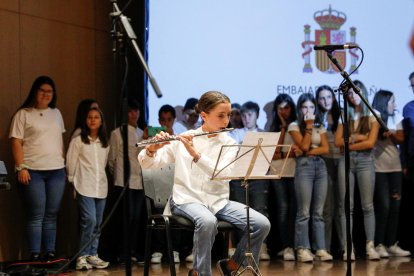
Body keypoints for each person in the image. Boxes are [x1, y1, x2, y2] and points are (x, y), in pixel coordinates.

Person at [138, 91, 270, 276]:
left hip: (217, 201)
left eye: (228, 115)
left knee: (261, 224)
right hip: (186, 199)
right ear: (204, 116)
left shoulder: (229, 143)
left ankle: (232, 264)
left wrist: (196, 155)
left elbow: (224, 174)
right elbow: (147, 164)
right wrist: (151, 149)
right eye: (221, 116)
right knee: (207, 221)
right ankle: (200, 273)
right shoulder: (184, 138)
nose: (226, 121)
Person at [9, 76, 66, 262]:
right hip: (33, 171)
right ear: (35, 91)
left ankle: (49, 252)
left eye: (49, 91)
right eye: (42, 90)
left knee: (51, 214)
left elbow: (59, 141)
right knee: (36, 214)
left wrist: (63, 163)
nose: (46, 94)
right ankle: (34, 253)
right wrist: (21, 167)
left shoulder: (56, 113)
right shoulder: (23, 114)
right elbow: (16, 142)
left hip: (57, 171)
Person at [334, 80, 380, 261]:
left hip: (366, 161)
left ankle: (370, 245)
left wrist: (349, 141)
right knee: (347, 207)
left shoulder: (373, 114)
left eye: (355, 92)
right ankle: (348, 247)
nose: (352, 96)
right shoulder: (345, 116)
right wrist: (356, 137)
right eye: (350, 94)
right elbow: (338, 142)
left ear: (363, 92)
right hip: (346, 161)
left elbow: (371, 142)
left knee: (368, 206)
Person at [288, 93, 332, 262]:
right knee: (304, 211)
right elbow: (304, 144)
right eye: (305, 107)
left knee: (318, 212)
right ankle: (302, 249)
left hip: (320, 166)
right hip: (304, 167)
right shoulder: (294, 125)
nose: (309, 110)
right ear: (300, 108)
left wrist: (306, 151)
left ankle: (320, 248)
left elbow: (325, 148)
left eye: (312, 107)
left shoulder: (319, 125)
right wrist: (308, 126)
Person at [66, 107, 110, 270]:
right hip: (84, 185)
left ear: (101, 121)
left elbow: (105, 163)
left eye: (96, 117)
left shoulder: (104, 142)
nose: (92, 120)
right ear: (85, 120)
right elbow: (71, 161)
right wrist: (72, 182)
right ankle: (82, 256)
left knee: (98, 223)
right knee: (89, 220)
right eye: (90, 117)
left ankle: (93, 254)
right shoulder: (78, 140)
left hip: (100, 187)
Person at [228, 101, 270, 260]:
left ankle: (261, 247)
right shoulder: (236, 133)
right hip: (239, 177)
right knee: (241, 213)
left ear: (257, 115)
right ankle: (242, 248)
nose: (246, 118)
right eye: (244, 115)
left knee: (260, 210)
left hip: (258, 177)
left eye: (250, 115)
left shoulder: (264, 134)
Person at [372, 90, 411, 257]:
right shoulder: (374, 118)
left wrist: (392, 134)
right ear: (384, 102)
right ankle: (379, 243)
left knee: (395, 206)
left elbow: (401, 139)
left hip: (395, 167)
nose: (395, 105)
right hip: (378, 168)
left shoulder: (397, 118)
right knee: (383, 206)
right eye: (392, 102)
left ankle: (391, 243)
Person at [108, 99, 145, 263]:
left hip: (140, 182)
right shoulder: (117, 133)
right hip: (123, 182)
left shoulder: (141, 133)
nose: (134, 114)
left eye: (136, 111)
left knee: (137, 218)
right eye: (131, 111)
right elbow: (111, 159)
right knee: (126, 218)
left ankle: (133, 250)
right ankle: (122, 252)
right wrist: (117, 175)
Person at [268, 93, 297, 261]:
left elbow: (299, 150)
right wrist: (283, 126)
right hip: (277, 172)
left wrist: (284, 153)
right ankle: (286, 246)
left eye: (286, 107)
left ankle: (293, 245)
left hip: (294, 171)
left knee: (294, 210)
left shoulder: (296, 125)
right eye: (280, 108)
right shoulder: (273, 126)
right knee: (283, 208)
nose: (284, 111)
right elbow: (274, 153)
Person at [315, 85, 342, 254]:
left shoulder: (340, 116)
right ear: (317, 100)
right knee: (326, 208)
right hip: (323, 162)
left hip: (341, 162)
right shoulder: (315, 118)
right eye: (322, 98)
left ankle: (344, 247)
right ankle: (325, 248)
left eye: (329, 97)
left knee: (342, 207)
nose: (326, 101)